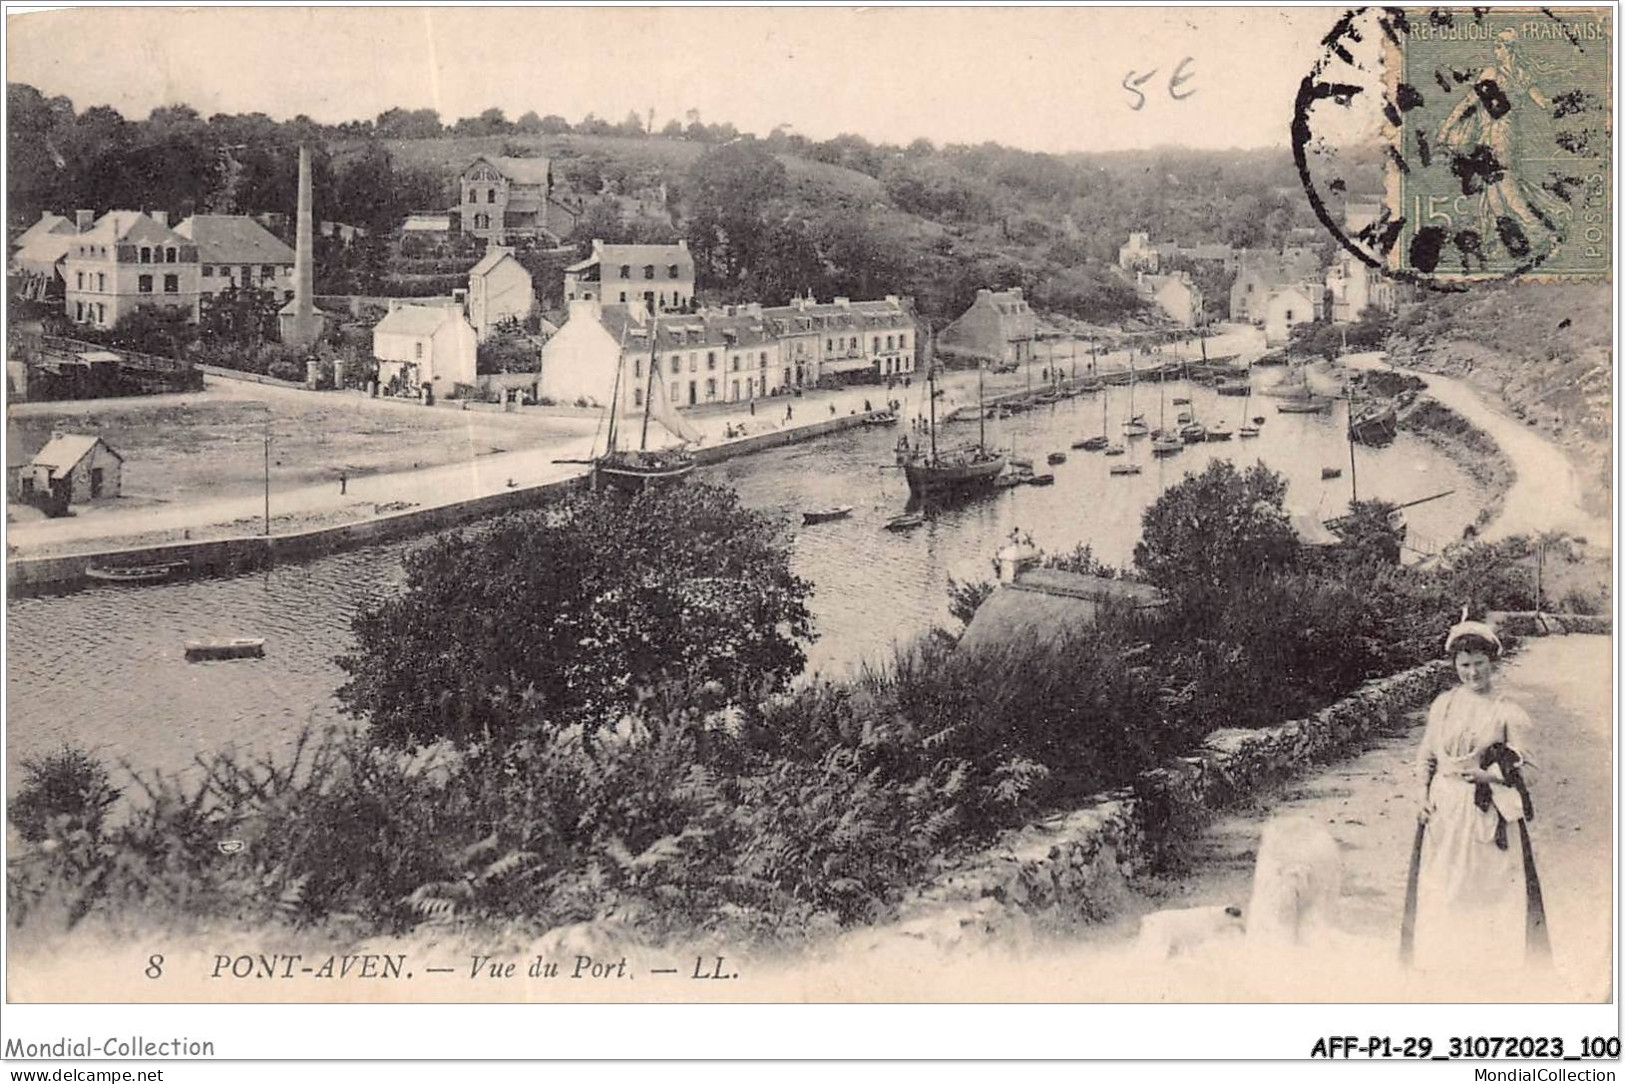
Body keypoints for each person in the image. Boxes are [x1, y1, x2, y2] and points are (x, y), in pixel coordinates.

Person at [1403, 618, 1548, 972]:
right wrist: (1421, 794)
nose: (1472, 673)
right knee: (1444, 887)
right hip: (1444, 811)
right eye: (1464, 665)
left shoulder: (1505, 710)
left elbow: (1525, 762)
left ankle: (1488, 967)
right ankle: (1444, 964)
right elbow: (1426, 756)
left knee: (1488, 890)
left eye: (1479, 664)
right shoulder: (1444, 705)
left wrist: (1490, 774)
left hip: (1485, 812)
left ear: (1491, 663)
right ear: (1455, 665)